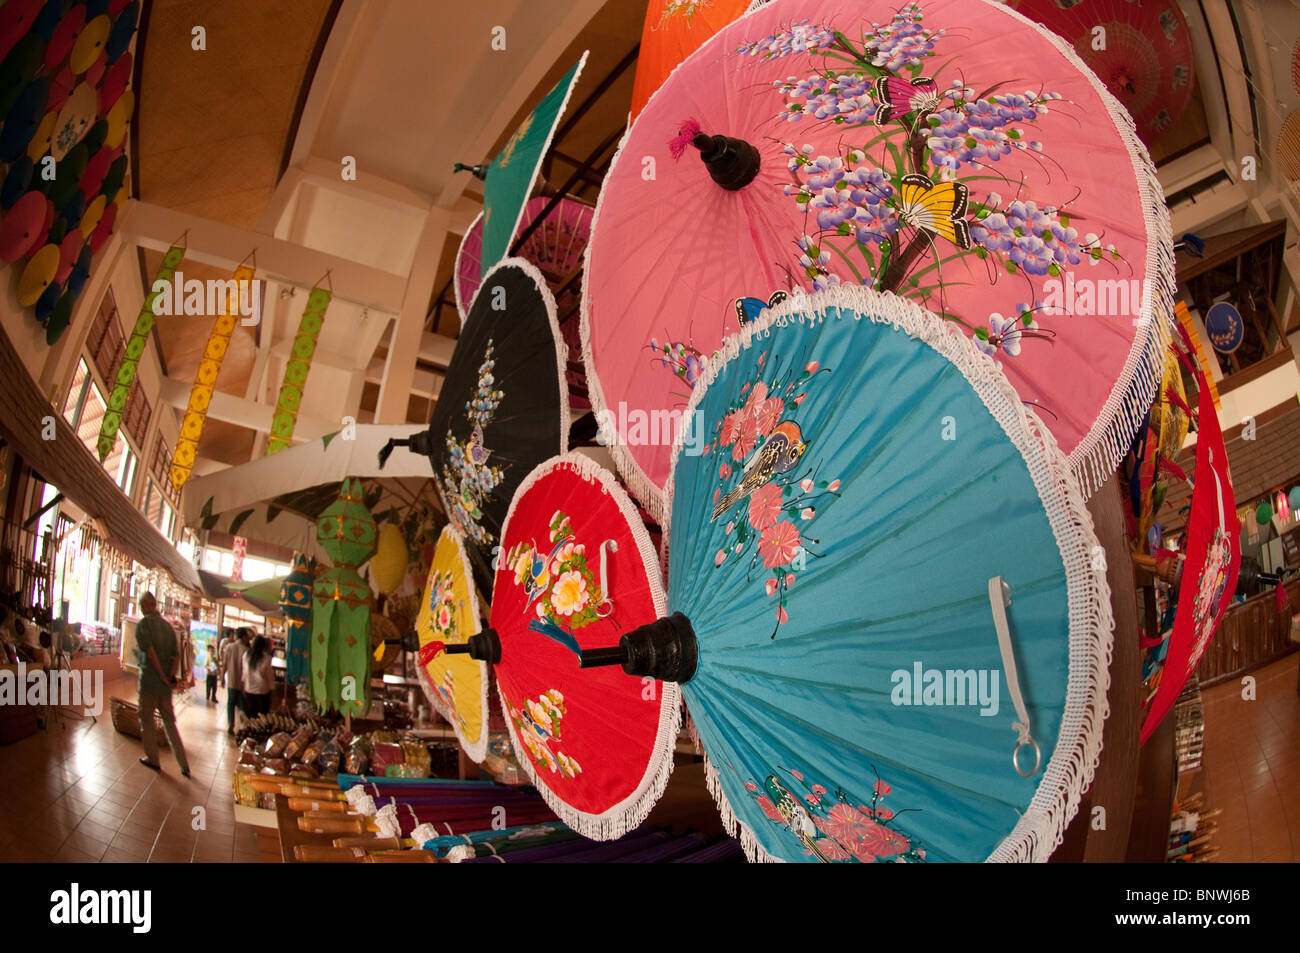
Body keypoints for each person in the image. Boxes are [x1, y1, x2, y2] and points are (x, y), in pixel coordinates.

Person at [135, 593, 191, 777]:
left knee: (147, 720)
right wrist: (169, 677)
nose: (141, 608)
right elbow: (176, 656)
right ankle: (183, 764)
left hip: (150, 683)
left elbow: (150, 653)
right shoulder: (168, 628)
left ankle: (153, 759)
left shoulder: (144, 625)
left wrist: (160, 676)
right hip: (165, 687)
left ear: (145, 605)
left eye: (141, 605)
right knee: (170, 724)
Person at [220, 627, 251, 734]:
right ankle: (243, 726)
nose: (248, 639)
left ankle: (231, 723)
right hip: (242, 683)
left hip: (232, 681)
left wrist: (222, 677)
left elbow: (224, 663)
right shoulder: (247, 650)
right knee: (241, 705)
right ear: (243, 637)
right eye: (247, 637)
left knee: (231, 703)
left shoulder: (229, 647)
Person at [242, 635, 274, 717]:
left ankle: (249, 729)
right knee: (262, 717)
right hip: (262, 691)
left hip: (249, 690)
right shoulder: (266, 658)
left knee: (250, 716)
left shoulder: (246, 655)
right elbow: (269, 676)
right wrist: (272, 689)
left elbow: (244, 673)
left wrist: (243, 685)